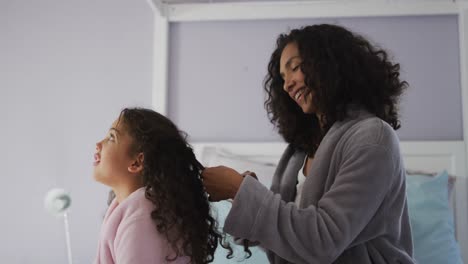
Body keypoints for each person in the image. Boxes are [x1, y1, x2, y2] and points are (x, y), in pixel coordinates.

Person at [201, 24, 415, 264]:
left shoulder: (373, 138)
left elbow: (322, 241)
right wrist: (245, 197)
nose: (287, 85)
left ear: (330, 64)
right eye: (282, 78)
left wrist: (240, 191)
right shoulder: (298, 152)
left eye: (294, 68)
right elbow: (289, 235)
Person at [93, 107, 234, 264]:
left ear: (137, 162)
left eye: (112, 137)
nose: (98, 144)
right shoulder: (134, 209)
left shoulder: (142, 219)